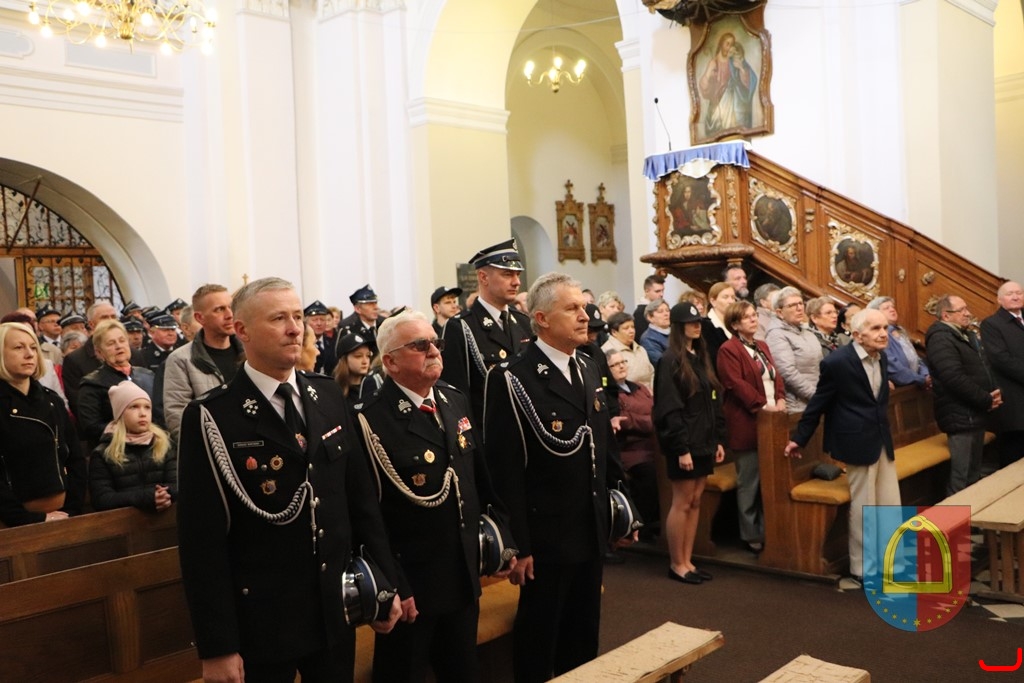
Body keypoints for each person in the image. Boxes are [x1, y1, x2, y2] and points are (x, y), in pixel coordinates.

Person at [176, 276, 401, 683]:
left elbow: (361, 500)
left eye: (297, 316)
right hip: (263, 621)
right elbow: (201, 543)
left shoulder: (326, 395)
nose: (296, 329)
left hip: (334, 609)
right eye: (278, 318)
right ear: (242, 330)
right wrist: (217, 645)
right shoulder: (213, 416)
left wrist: (384, 585)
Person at [484, 272, 630, 682]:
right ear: (542, 318)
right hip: (545, 535)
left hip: (588, 526)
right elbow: (504, 469)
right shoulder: (512, 377)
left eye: (583, 307)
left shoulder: (587, 365)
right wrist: (519, 544)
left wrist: (620, 510)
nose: (585, 316)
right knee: (539, 638)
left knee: (583, 635)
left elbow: (602, 447)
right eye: (573, 309)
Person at [355, 310, 513, 682]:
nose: (434, 351)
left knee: (463, 672)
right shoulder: (369, 420)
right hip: (413, 584)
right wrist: (394, 584)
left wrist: (503, 537)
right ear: (390, 362)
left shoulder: (453, 400)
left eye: (435, 342)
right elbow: (369, 516)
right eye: (419, 345)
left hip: (462, 574)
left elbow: (480, 480)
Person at [785, 309, 901, 584]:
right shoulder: (837, 362)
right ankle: (863, 568)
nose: (883, 334)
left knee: (889, 503)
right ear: (857, 335)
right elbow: (820, 401)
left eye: (884, 328)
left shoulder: (881, 357)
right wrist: (800, 437)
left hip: (881, 437)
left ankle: (891, 560)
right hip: (856, 440)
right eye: (875, 329)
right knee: (864, 505)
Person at [654, 302, 725, 585]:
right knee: (682, 502)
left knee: (696, 501)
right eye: (691, 322)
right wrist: (681, 448)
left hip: (704, 439)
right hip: (684, 443)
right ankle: (676, 563)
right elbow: (669, 408)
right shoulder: (670, 360)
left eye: (698, 322)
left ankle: (688, 560)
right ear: (678, 326)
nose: (697, 326)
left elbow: (714, 400)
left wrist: (718, 439)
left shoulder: (701, 356)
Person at [715, 301, 785, 554]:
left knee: (770, 479)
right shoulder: (728, 350)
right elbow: (735, 384)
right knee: (750, 481)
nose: (754, 320)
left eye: (754, 315)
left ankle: (770, 530)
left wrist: (780, 398)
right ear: (735, 324)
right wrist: (763, 405)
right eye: (747, 317)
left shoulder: (762, 346)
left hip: (772, 419)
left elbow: (776, 376)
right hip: (746, 421)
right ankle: (750, 533)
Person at [0, 322, 85, 527]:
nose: (29, 354)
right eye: (19, 347)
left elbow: (75, 458)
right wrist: (28, 519)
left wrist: (71, 509)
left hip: (64, 514)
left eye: (33, 347)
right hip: (14, 522)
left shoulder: (52, 400)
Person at [440, 239, 531, 423]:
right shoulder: (461, 327)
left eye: (518, 275)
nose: (516, 282)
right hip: (487, 429)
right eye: (507, 274)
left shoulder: (523, 321)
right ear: (483, 277)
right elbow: (457, 395)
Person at [926, 295, 1001, 494]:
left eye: (966, 308)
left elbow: (982, 367)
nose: (968, 313)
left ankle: (973, 513)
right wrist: (985, 399)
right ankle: (955, 515)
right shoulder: (941, 338)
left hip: (973, 413)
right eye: (962, 310)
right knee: (961, 478)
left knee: (973, 475)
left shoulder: (964, 335)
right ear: (946, 315)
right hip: (960, 416)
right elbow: (953, 378)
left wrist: (993, 393)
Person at [162, 284, 245, 440]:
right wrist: (213, 446)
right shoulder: (181, 359)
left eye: (231, 307)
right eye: (219, 309)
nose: (229, 315)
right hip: (211, 446)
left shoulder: (249, 352)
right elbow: (177, 416)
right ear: (200, 318)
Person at [89, 381, 177, 512]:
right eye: (134, 407)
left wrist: (166, 494)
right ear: (120, 413)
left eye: (147, 407)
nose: (143, 413)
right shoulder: (103, 453)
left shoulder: (164, 444)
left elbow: (178, 484)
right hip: (122, 522)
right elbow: (102, 499)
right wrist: (146, 498)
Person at [77, 319, 159, 450]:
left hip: (153, 447)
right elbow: (91, 426)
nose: (119, 346)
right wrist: (130, 432)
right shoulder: (92, 384)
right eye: (111, 343)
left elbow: (160, 414)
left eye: (122, 341)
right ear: (99, 352)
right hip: (115, 450)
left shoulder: (148, 375)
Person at [607, 349, 659, 541]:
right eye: (615, 364)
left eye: (623, 362)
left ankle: (658, 523)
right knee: (649, 474)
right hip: (630, 450)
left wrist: (641, 419)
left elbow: (656, 410)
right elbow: (625, 421)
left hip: (653, 445)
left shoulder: (640, 388)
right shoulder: (611, 394)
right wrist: (649, 421)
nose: (621, 366)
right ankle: (644, 526)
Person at [61, 300, 131, 415]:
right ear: (91, 324)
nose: (110, 321)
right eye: (104, 317)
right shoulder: (74, 360)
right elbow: (79, 406)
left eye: (113, 317)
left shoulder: (133, 354)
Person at [981, 282, 1024, 467]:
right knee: (1014, 452)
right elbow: (1001, 359)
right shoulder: (991, 324)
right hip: (1013, 398)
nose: (1015, 296)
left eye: (1019, 292)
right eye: (1009, 294)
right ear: (999, 300)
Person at [765, 287, 822, 412]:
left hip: (817, 400)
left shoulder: (808, 333)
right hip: (797, 405)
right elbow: (787, 372)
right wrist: (816, 395)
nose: (799, 308)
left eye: (800, 303)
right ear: (780, 312)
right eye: (792, 305)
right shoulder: (776, 334)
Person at [866, 296, 931, 389]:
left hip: (916, 383)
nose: (892, 309)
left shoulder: (900, 330)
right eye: (886, 308)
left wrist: (925, 375)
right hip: (900, 387)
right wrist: (921, 379)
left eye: (892, 307)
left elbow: (916, 358)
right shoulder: (879, 336)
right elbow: (892, 366)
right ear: (876, 314)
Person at [602, 311, 655, 389]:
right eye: (626, 328)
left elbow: (652, 373)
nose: (631, 331)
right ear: (614, 332)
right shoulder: (606, 351)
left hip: (648, 393)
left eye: (632, 327)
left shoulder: (641, 349)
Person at [333, 332, 383, 410]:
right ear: (344, 360)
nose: (365, 361)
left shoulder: (375, 385)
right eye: (358, 356)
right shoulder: (334, 390)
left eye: (368, 356)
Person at [336, 285, 386, 354]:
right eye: (370, 304)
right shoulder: (348, 326)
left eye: (375, 303)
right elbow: (341, 355)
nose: (376, 307)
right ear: (358, 309)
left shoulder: (385, 323)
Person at [701, 282, 736, 363]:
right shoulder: (706, 326)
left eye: (733, 297)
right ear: (713, 301)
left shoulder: (736, 324)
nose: (731, 301)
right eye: (725, 297)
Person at [304, 300, 338, 375]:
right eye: (314, 320)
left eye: (322, 320)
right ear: (306, 322)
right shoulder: (303, 344)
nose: (319, 323)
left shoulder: (333, 342)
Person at [639, 298, 671, 366]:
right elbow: (661, 363)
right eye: (660, 311)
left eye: (667, 310)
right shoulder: (648, 339)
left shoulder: (675, 332)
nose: (666, 314)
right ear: (650, 317)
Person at [632, 274, 665, 339]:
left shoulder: (662, 306)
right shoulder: (640, 312)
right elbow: (641, 337)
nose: (661, 294)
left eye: (662, 290)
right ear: (647, 291)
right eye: (657, 291)